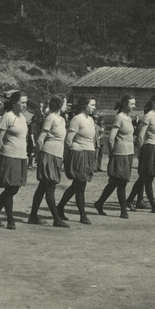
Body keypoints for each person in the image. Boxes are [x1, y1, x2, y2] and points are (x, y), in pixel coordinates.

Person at [0, 91, 29, 230]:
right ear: (14, 103)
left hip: (21, 156)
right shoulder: (7, 117)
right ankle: (10, 219)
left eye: (25, 102)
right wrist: (1, 155)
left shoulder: (22, 118)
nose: (25, 105)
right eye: (22, 102)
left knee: (14, 188)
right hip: (9, 156)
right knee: (10, 188)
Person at [28, 96, 69, 227]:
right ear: (60, 104)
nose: (66, 105)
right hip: (49, 154)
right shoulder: (50, 118)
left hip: (56, 156)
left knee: (42, 187)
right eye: (65, 103)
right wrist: (39, 157)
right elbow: (40, 139)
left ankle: (33, 216)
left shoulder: (62, 119)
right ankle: (56, 218)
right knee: (49, 187)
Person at [56, 96, 97, 224]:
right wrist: (71, 156)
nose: (94, 107)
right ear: (84, 105)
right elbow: (68, 140)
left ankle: (59, 208)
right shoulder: (76, 119)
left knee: (77, 186)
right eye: (92, 105)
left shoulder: (90, 119)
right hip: (79, 154)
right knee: (80, 185)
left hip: (89, 153)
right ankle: (82, 215)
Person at [93, 95, 136, 219]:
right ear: (125, 104)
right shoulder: (119, 117)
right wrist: (113, 153)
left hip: (128, 153)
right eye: (132, 104)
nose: (134, 106)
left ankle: (99, 203)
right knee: (121, 182)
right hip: (120, 154)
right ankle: (123, 210)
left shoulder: (128, 118)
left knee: (114, 183)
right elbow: (111, 138)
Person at [126, 94, 155, 213]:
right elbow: (140, 136)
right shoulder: (148, 116)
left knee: (145, 178)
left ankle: (129, 200)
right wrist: (142, 152)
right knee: (147, 178)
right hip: (149, 148)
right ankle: (153, 205)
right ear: (153, 103)